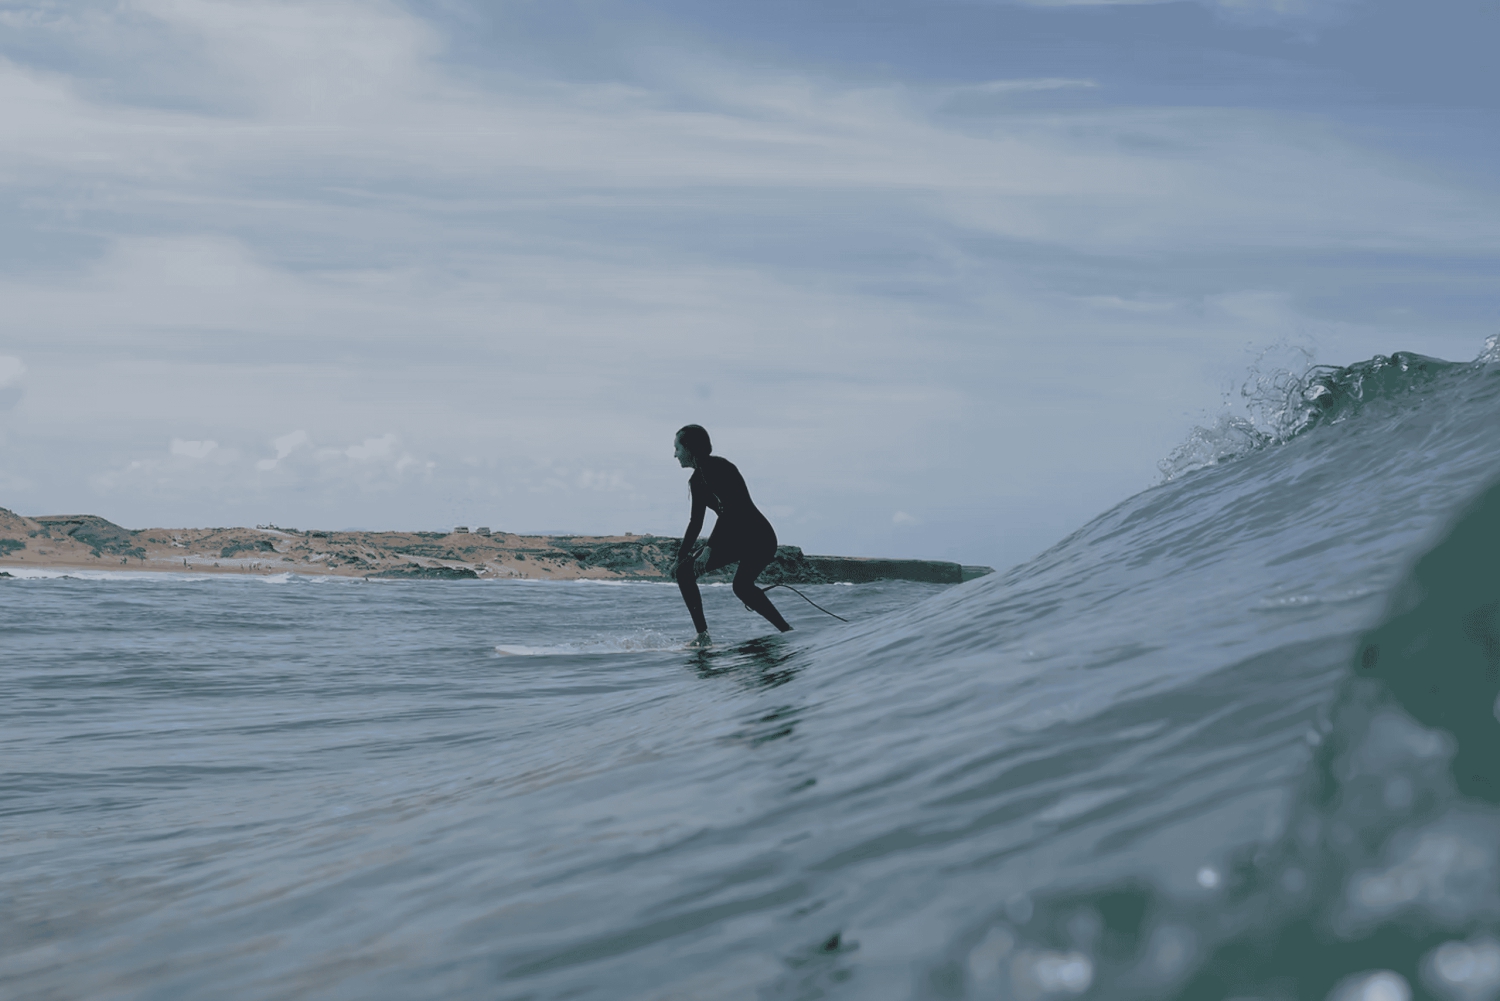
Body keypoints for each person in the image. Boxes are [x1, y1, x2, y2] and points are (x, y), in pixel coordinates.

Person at [673, 425, 792, 648]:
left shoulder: (721, 467)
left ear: (689, 448)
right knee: (684, 572)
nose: (675, 454)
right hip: (736, 538)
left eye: (677, 448)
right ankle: (703, 637)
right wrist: (680, 556)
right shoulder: (696, 481)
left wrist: (709, 548)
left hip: (759, 537)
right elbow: (695, 522)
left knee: (742, 587)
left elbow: (733, 508)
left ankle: (786, 631)